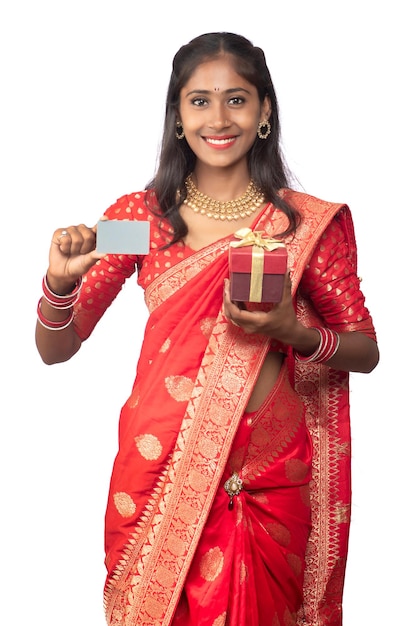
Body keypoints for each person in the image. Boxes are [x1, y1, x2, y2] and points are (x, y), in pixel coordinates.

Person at [35, 32, 379, 626]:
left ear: (265, 110)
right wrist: (60, 284)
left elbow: (365, 348)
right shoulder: (141, 221)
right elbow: (56, 348)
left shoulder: (302, 224)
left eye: (237, 99)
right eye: (199, 101)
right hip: (157, 473)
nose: (218, 119)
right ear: (176, 114)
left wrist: (292, 332)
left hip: (267, 483)